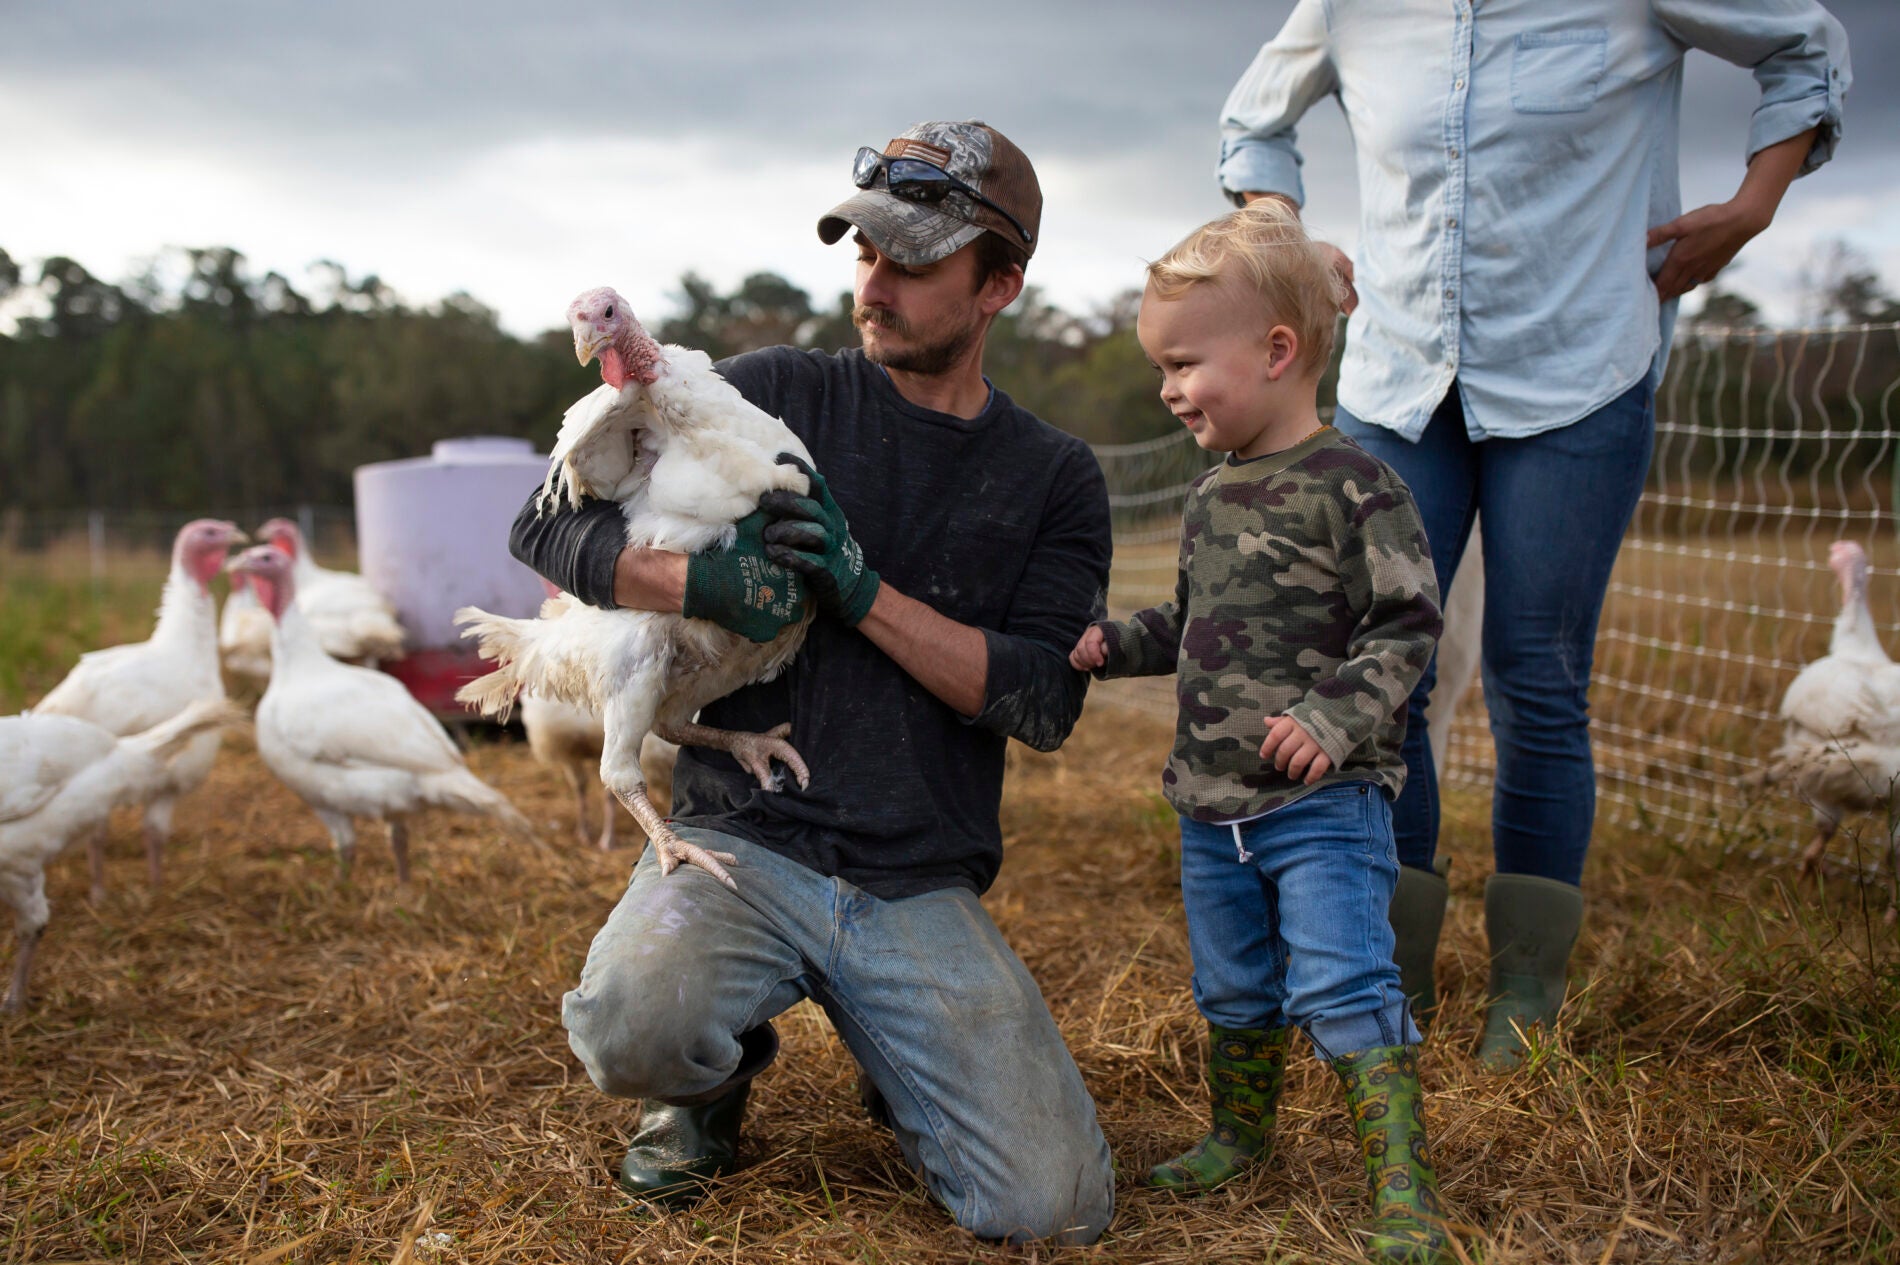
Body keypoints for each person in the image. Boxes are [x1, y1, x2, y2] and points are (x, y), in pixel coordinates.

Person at [508, 120, 1116, 1244]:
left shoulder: (1052, 476)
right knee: (628, 1023)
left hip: (913, 876)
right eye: (863, 254)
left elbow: (1042, 700)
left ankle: (908, 1060)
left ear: (1001, 286)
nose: (873, 284)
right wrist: (693, 576)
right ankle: (707, 1077)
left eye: (912, 261)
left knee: (1053, 1208)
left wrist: (859, 587)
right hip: (742, 843)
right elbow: (541, 529)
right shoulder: (776, 389)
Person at [1217, 1, 1851, 1066]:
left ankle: (1523, 993)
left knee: (1537, 677)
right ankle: (1388, 977)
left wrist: (1749, 207)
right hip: (1400, 381)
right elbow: (1252, 123)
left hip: (1580, 370)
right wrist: (1283, 235)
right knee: (1387, 679)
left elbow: (1806, 45)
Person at [1071, 201, 1448, 1262]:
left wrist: (1333, 717)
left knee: (1342, 979)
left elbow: (1408, 618)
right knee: (1232, 982)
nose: (1167, 388)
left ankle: (1402, 1182)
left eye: (1184, 363)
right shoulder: (1209, 491)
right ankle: (1240, 1131)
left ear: (1278, 351)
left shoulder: (1358, 485)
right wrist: (1113, 643)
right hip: (1210, 802)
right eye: (1161, 367)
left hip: (1321, 799)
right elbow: (1192, 624)